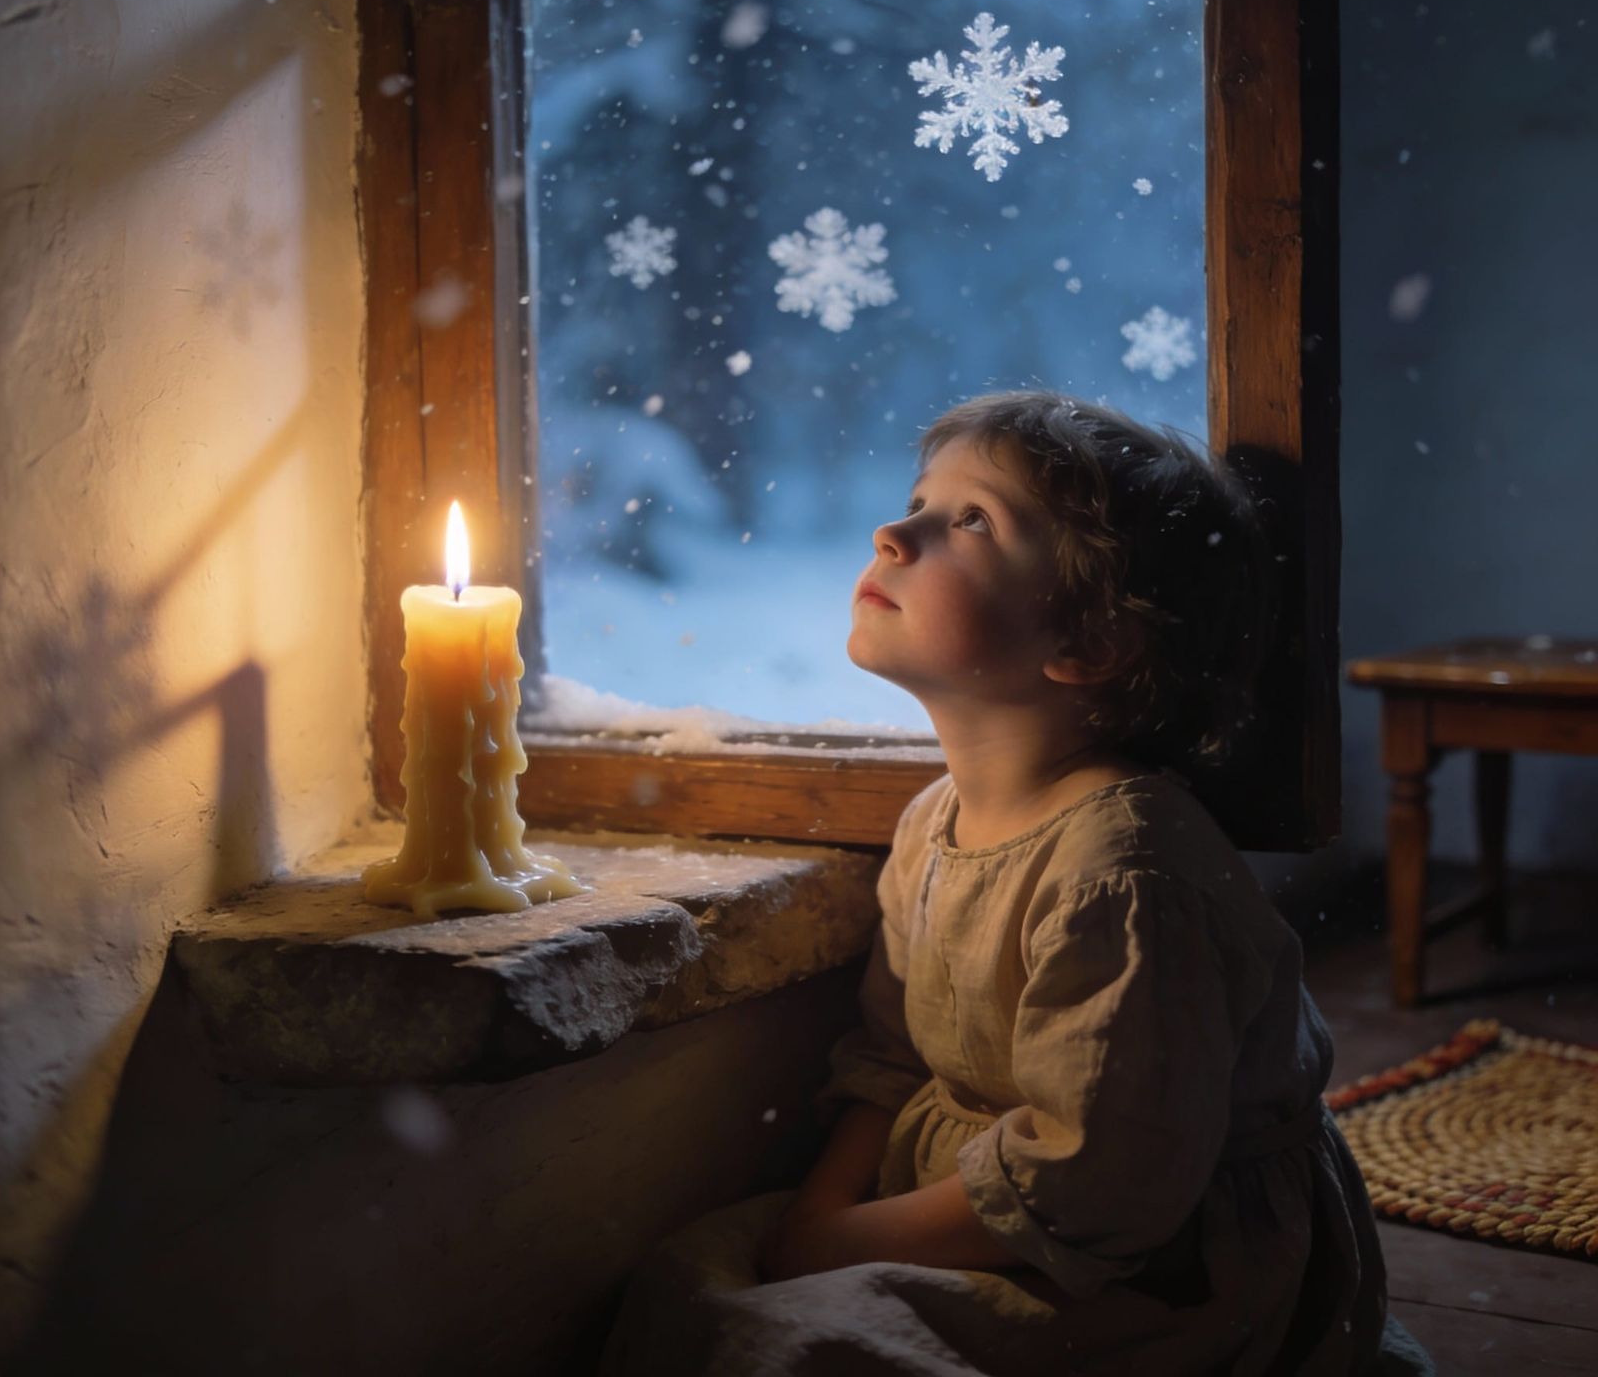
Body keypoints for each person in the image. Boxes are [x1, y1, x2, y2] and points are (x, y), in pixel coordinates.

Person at [600, 391, 1433, 1376]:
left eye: (970, 520)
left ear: (1088, 643)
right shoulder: (932, 824)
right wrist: (823, 1215)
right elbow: (891, 1054)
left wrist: (837, 1247)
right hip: (988, 1205)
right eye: (919, 499)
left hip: (1161, 1268)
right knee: (687, 1276)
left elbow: (1100, 1180)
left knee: (783, 1343)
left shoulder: (1123, 877)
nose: (892, 531)